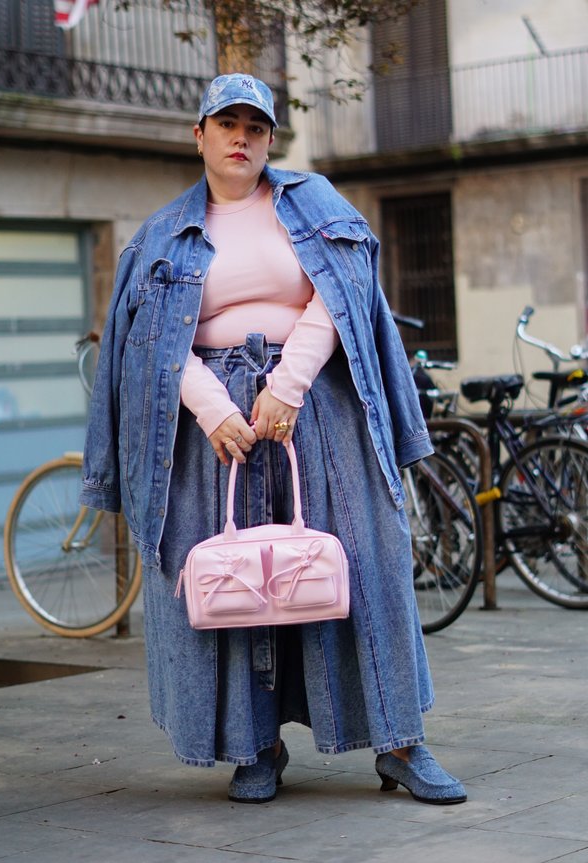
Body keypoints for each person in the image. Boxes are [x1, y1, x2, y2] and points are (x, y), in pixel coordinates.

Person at [80, 73, 466, 806]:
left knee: (367, 560)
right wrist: (210, 404)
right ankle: (254, 748)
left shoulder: (314, 201)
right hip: (211, 425)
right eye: (225, 124)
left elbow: (344, 290)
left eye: (254, 127)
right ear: (199, 135)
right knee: (233, 578)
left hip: (318, 403)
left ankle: (401, 745)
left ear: (269, 139)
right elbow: (146, 342)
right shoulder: (161, 234)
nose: (240, 138)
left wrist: (287, 384)